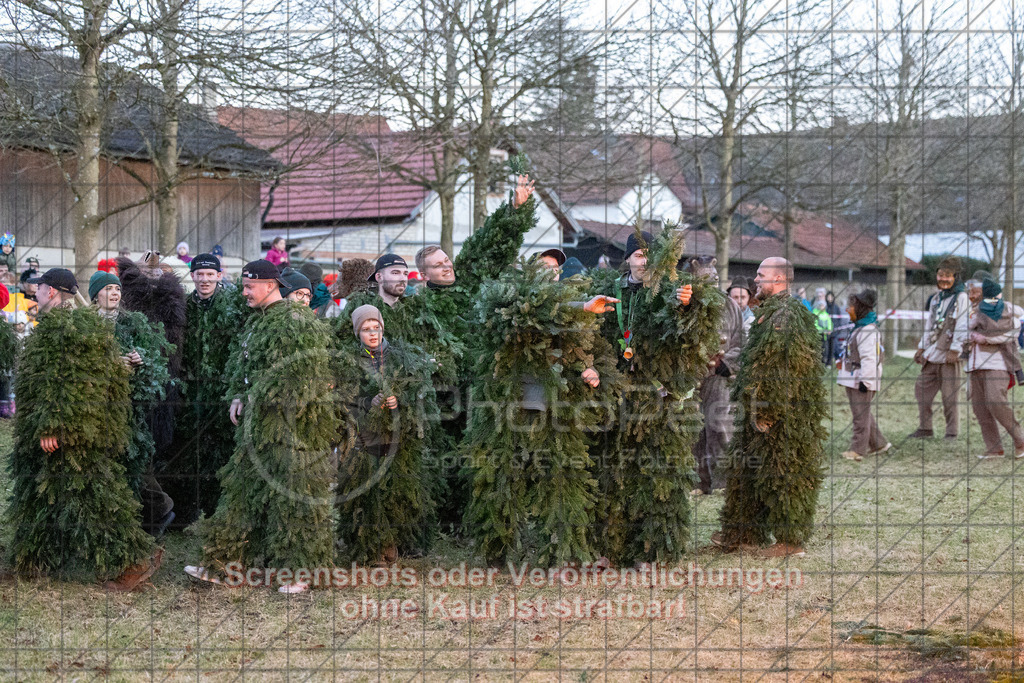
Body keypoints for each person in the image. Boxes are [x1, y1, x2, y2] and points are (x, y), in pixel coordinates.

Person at [187, 260, 341, 593]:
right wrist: (240, 395)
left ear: (270, 285)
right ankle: (223, 566)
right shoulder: (258, 322)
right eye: (242, 285)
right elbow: (248, 365)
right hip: (256, 426)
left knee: (294, 499)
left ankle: (299, 572)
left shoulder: (294, 321)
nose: (243, 292)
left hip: (292, 428)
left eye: (249, 286)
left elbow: (303, 377)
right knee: (239, 495)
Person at [5, 268, 161, 590]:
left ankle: (132, 563)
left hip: (72, 434)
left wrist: (52, 426)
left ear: (50, 291)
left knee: (95, 500)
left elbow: (71, 385)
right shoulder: (63, 325)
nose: (35, 292)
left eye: (40, 288)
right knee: (49, 495)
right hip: (65, 431)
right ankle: (40, 559)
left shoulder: (68, 328)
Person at [462, 246, 619, 565]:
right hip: (510, 402)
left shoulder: (571, 309)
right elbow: (534, 313)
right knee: (504, 477)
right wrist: (582, 305)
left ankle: (564, 555)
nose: (552, 272)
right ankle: (497, 554)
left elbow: (587, 348)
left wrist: (590, 369)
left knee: (563, 477)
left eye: (556, 269)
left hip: (559, 404)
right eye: (545, 266)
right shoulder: (508, 296)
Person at [589, 230, 719, 564]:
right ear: (629, 258)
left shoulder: (667, 292)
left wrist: (687, 306)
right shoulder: (611, 291)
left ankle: (655, 551)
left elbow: (686, 331)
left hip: (659, 394)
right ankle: (612, 549)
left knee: (658, 472)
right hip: (618, 392)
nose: (644, 260)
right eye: (638, 254)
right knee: (615, 472)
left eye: (649, 254)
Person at [715, 257, 827, 558]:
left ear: (779, 280)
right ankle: (744, 534)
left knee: (783, 473)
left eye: (761, 275)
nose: (755, 280)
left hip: (782, 413)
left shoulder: (787, 316)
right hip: (755, 408)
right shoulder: (768, 313)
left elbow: (786, 369)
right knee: (745, 472)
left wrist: (769, 410)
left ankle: (790, 541)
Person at [336, 305, 438, 564]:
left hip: (397, 433)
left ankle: (391, 541)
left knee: (395, 489)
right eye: (365, 329)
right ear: (357, 332)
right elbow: (345, 399)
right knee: (369, 490)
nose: (372, 334)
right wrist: (370, 401)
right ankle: (369, 546)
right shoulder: (350, 360)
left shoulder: (400, 357)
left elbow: (417, 390)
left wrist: (398, 400)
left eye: (376, 328)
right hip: (365, 435)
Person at [89, 270, 176, 535]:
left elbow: (152, 360)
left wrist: (140, 360)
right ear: (95, 296)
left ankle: (161, 509)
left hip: (129, 405)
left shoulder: (132, 323)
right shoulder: (86, 325)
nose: (115, 293)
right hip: (96, 405)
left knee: (138, 462)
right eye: (107, 289)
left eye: (117, 289)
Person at [166, 253, 249, 521]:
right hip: (190, 392)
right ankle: (185, 512)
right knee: (188, 449)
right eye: (199, 274)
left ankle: (219, 512)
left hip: (221, 391)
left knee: (219, 450)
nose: (204, 280)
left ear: (219, 276)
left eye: (210, 274)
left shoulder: (229, 306)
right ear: (192, 277)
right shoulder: (183, 307)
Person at [688, 258, 744, 494]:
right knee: (693, 431)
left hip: (719, 378)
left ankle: (723, 482)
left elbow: (741, 342)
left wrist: (726, 364)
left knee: (719, 427)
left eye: (715, 277)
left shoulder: (730, 305)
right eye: (705, 276)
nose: (712, 280)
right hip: (691, 378)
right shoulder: (687, 304)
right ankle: (700, 482)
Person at [911, 256, 969, 440]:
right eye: (940, 275)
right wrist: (921, 347)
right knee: (922, 390)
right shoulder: (936, 298)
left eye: (948, 276)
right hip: (933, 353)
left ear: (956, 276)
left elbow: (963, 324)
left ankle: (952, 432)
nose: (943, 279)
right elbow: (930, 324)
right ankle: (925, 429)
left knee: (949, 397)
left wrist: (955, 349)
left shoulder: (962, 297)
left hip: (950, 355)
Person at [965, 277, 1024, 459]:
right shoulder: (972, 310)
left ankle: (1021, 440)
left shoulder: (1005, 307)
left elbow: (1013, 329)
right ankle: (994, 448)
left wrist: (987, 338)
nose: (973, 295)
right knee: (980, 408)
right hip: (975, 363)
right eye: (971, 292)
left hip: (997, 363)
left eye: (977, 292)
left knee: (996, 401)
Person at [837, 289, 890, 461]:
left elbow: (869, 358)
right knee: (864, 413)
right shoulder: (859, 327)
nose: (847, 310)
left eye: (850, 306)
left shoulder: (867, 330)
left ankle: (858, 450)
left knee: (860, 416)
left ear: (860, 308)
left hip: (861, 380)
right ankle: (879, 444)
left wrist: (865, 381)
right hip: (854, 378)